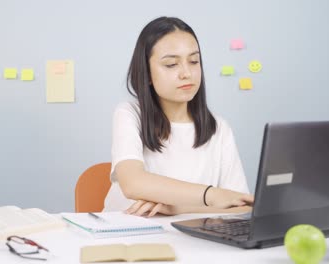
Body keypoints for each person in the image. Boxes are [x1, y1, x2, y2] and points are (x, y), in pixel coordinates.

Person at [103, 16, 254, 216]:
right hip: (125, 233)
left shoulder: (219, 127)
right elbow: (133, 183)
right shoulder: (130, 114)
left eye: (193, 61)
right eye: (171, 64)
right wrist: (212, 195)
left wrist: (174, 207)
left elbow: (241, 205)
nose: (186, 73)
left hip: (186, 239)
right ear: (146, 73)